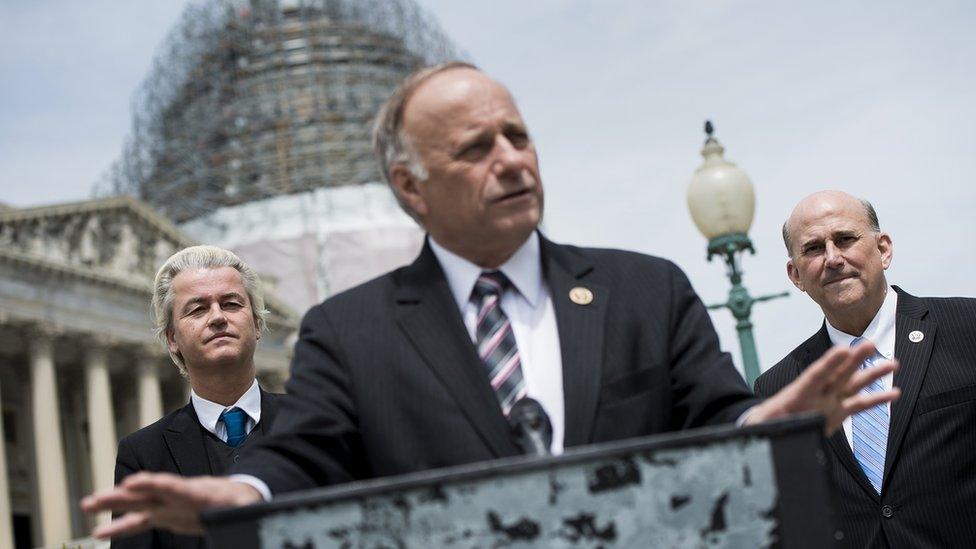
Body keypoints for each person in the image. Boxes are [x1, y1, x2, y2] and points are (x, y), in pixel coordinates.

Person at [82, 63, 898, 539]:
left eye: (517, 135)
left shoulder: (646, 290)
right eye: (475, 148)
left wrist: (770, 424)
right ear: (412, 185)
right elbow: (301, 457)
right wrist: (241, 495)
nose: (510, 160)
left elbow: (717, 424)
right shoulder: (351, 332)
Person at [755, 190, 976, 548]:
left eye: (845, 239)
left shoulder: (966, 326)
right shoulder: (779, 389)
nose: (832, 258)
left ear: (883, 249)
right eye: (813, 248)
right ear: (795, 275)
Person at [109, 245, 284, 548]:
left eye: (230, 304)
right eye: (198, 309)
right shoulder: (143, 456)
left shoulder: (315, 424)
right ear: (173, 339)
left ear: (256, 324)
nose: (217, 317)